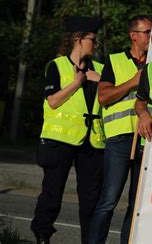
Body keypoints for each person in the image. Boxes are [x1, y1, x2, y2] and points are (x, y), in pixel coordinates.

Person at [31, 16, 105, 244]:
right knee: (52, 194)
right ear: (79, 40)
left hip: (91, 141)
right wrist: (76, 83)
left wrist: (99, 81)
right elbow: (52, 101)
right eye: (93, 39)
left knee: (91, 199)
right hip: (59, 140)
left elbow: (112, 95)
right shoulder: (57, 65)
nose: (96, 44)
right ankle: (42, 234)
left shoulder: (101, 69)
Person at [88, 15, 152, 244]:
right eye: (147, 32)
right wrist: (132, 82)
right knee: (109, 200)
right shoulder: (114, 61)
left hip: (147, 140)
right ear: (133, 35)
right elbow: (103, 97)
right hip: (119, 141)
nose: (150, 38)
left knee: (136, 205)